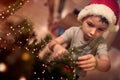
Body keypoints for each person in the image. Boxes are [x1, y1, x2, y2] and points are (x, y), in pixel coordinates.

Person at [47, 0, 119, 74]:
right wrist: (56, 47)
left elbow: (106, 65)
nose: (92, 32)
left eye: (100, 29)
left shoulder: (100, 42)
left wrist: (97, 63)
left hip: (75, 73)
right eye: (90, 24)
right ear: (83, 18)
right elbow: (51, 43)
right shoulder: (74, 31)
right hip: (60, 64)